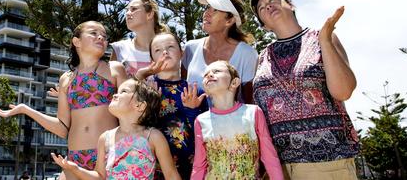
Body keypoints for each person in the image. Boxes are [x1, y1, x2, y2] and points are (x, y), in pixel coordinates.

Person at [0, 21, 127, 180]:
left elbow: (130, 109)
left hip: (108, 153)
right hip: (74, 158)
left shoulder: (115, 69)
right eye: (93, 33)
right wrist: (26, 110)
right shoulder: (66, 79)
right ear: (76, 41)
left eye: (104, 36)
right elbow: (62, 127)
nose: (101, 37)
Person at [250, 0, 359, 180]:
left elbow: (343, 91)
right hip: (278, 168)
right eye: (261, 8)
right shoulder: (262, 57)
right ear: (264, 26)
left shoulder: (323, 38)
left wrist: (325, 40)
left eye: (273, 0)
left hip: (326, 162)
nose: (267, 5)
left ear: (290, 5)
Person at [51, 78, 182, 180]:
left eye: (123, 92)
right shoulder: (105, 138)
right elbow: (100, 176)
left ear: (140, 106)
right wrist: (76, 169)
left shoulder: (153, 136)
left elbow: (171, 175)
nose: (114, 95)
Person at [191, 60, 283, 180]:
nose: (209, 75)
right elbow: (199, 166)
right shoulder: (201, 121)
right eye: (205, 74)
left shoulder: (253, 112)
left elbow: (269, 155)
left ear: (234, 82)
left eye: (217, 71)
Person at [135, 32, 209, 179]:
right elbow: (135, 127)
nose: (165, 52)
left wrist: (192, 110)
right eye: (157, 50)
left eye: (170, 47)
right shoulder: (146, 89)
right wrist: (151, 103)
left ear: (181, 53)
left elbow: (205, 133)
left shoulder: (194, 91)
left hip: (191, 169)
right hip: (153, 168)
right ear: (151, 59)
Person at [182, 0, 258, 103]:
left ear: (229, 21)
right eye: (208, 8)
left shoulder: (247, 54)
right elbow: (182, 90)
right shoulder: (190, 48)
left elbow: (250, 102)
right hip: (192, 120)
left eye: (215, 10)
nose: (206, 13)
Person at [111, 0, 169, 77]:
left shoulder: (170, 50)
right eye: (127, 10)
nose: (127, 13)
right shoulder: (119, 48)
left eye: (133, 9)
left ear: (149, 14)